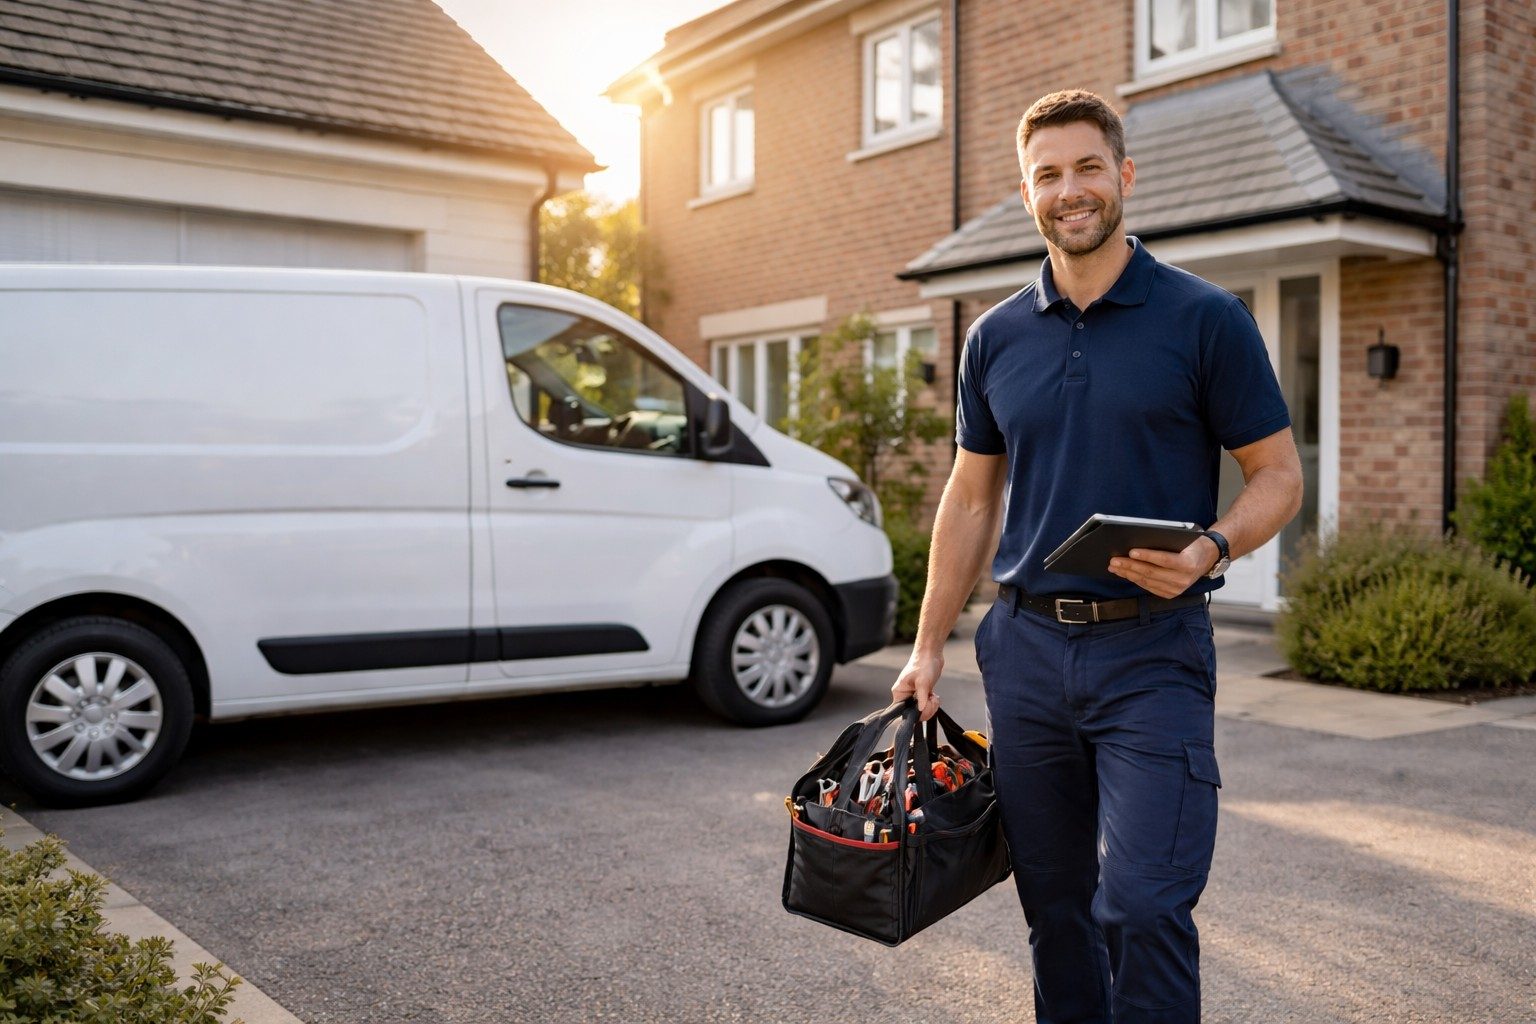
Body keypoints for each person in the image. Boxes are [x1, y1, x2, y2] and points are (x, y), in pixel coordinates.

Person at [892, 90, 1303, 1023]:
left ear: (1125, 175)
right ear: (1026, 193)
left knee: (1145, 904)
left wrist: (1212, 547)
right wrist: (926, 646)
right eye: (1047, 175)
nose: (1068, 190)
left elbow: (1278, 475)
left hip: (1154, 650)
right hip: (1027, 654)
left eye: (1087, 167)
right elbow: (970, 496)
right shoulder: (994, 337)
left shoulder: (1205, 318)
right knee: (1056, 910)